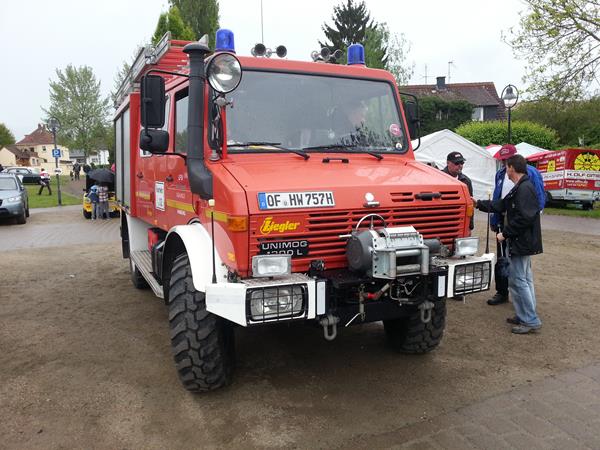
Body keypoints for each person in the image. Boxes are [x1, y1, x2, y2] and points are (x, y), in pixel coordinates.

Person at [475, 154, 543, 334]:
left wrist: (505, 234)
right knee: (523, 279)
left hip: (521, 242)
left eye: (506, 166)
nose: (505, 170)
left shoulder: (524, 188)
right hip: (522, 242)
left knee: (519, 280)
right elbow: (502, 204)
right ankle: (524, 315)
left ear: (511, 168)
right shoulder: (520, 187)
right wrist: (478, 204)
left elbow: (525, 218)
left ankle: (530, 320)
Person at [486, 144, 545, 305]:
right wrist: (494, 219)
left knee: (520, 264)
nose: (504, 163)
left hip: (520, 220)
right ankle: (502, 292)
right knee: (502, 258)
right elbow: (499, 198)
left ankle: (523, 300)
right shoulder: (500, 174)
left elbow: (539, 198)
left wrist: (531, 220)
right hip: (503, 217)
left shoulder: (530, 173)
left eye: (506, 160)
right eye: (502, 160)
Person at [442, 151, 474, 230]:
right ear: (448, 163)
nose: (460, 166)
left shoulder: (466, 181)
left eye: (462, 163)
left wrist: (470, 226)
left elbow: (470, 204)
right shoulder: (439, 178)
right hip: (443, 222)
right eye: (456, 163)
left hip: (459, 222)